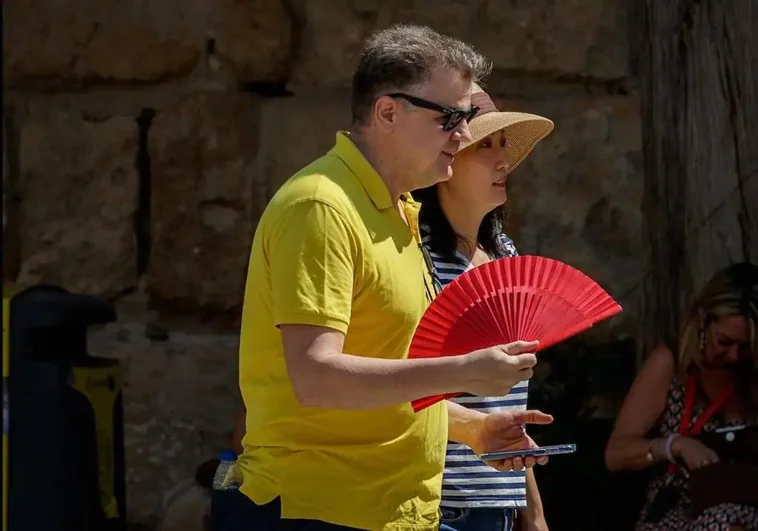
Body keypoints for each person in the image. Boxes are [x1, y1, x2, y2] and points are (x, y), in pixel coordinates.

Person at [220, 24, 555, 531]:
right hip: (321, 512)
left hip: (384, 513)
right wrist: (461, 372)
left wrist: (474, 428)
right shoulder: (321, 205)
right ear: (388, 113)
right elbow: (316, 378)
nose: (464, 136)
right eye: (452, 119)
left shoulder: (400, 213)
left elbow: (384, 381)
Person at [413, 84, 555, 531]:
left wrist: (533, 511)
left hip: (502, 508)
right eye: (485, 146)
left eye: (504, 146)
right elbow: (403, 390)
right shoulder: (415, 257)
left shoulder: (505, 254)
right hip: (438, 504)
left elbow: (512, 401)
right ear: (447, 161)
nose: (504, 161)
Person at [605, 262, 758, 531]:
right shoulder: (671, 364)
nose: (734, 356)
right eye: (725, 342)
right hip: (681, 507)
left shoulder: (751, 372)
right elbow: (616, 454)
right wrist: (675, 446)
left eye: (744, 346)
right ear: (702, 321)